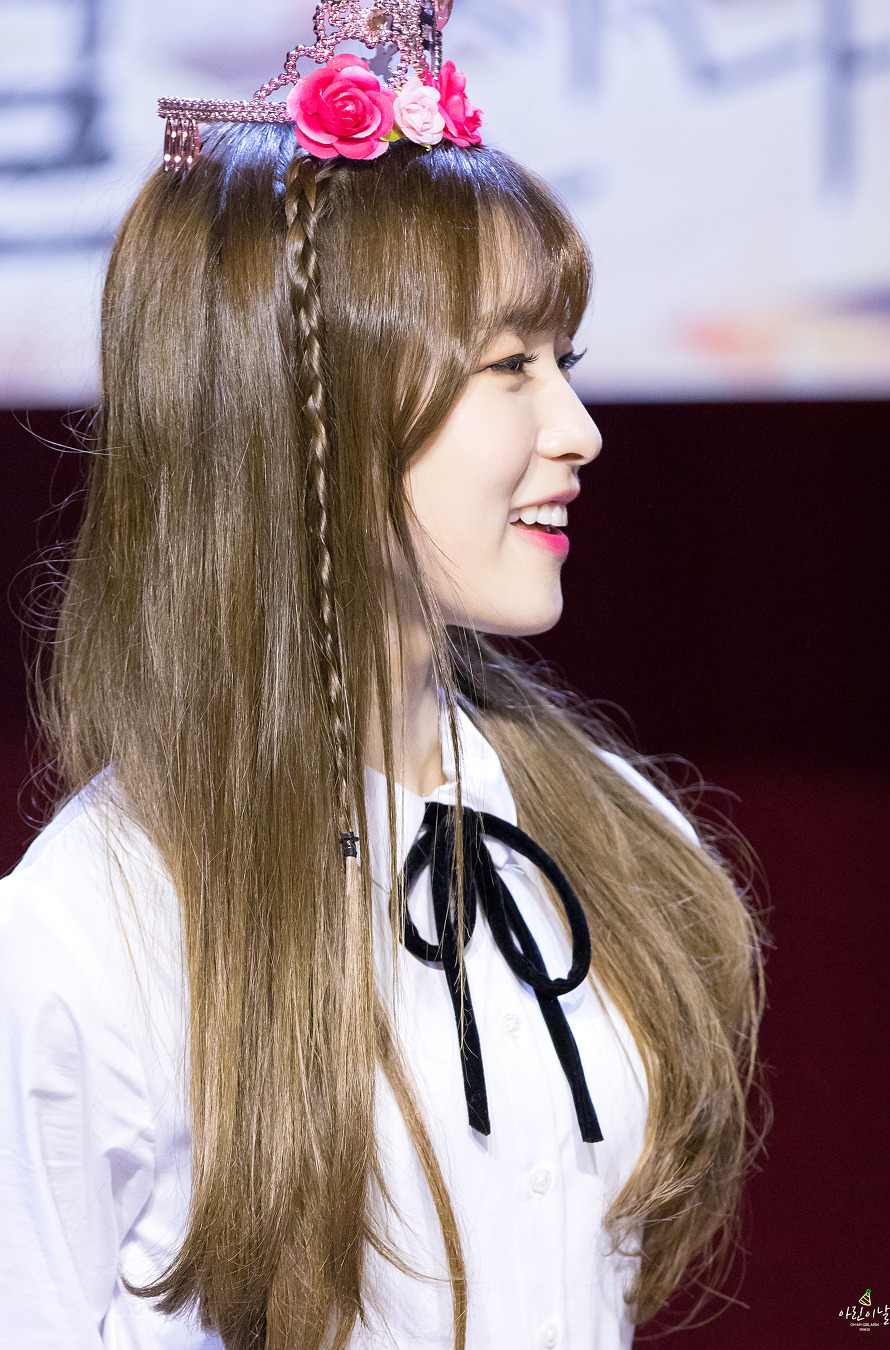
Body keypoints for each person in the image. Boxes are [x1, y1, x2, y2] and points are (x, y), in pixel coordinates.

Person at [0, 12, 767, 1350]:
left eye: (566, 362)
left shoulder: (615, 834)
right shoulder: (92, 930)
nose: (578, 428)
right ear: (306, 408)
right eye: (509, 367)